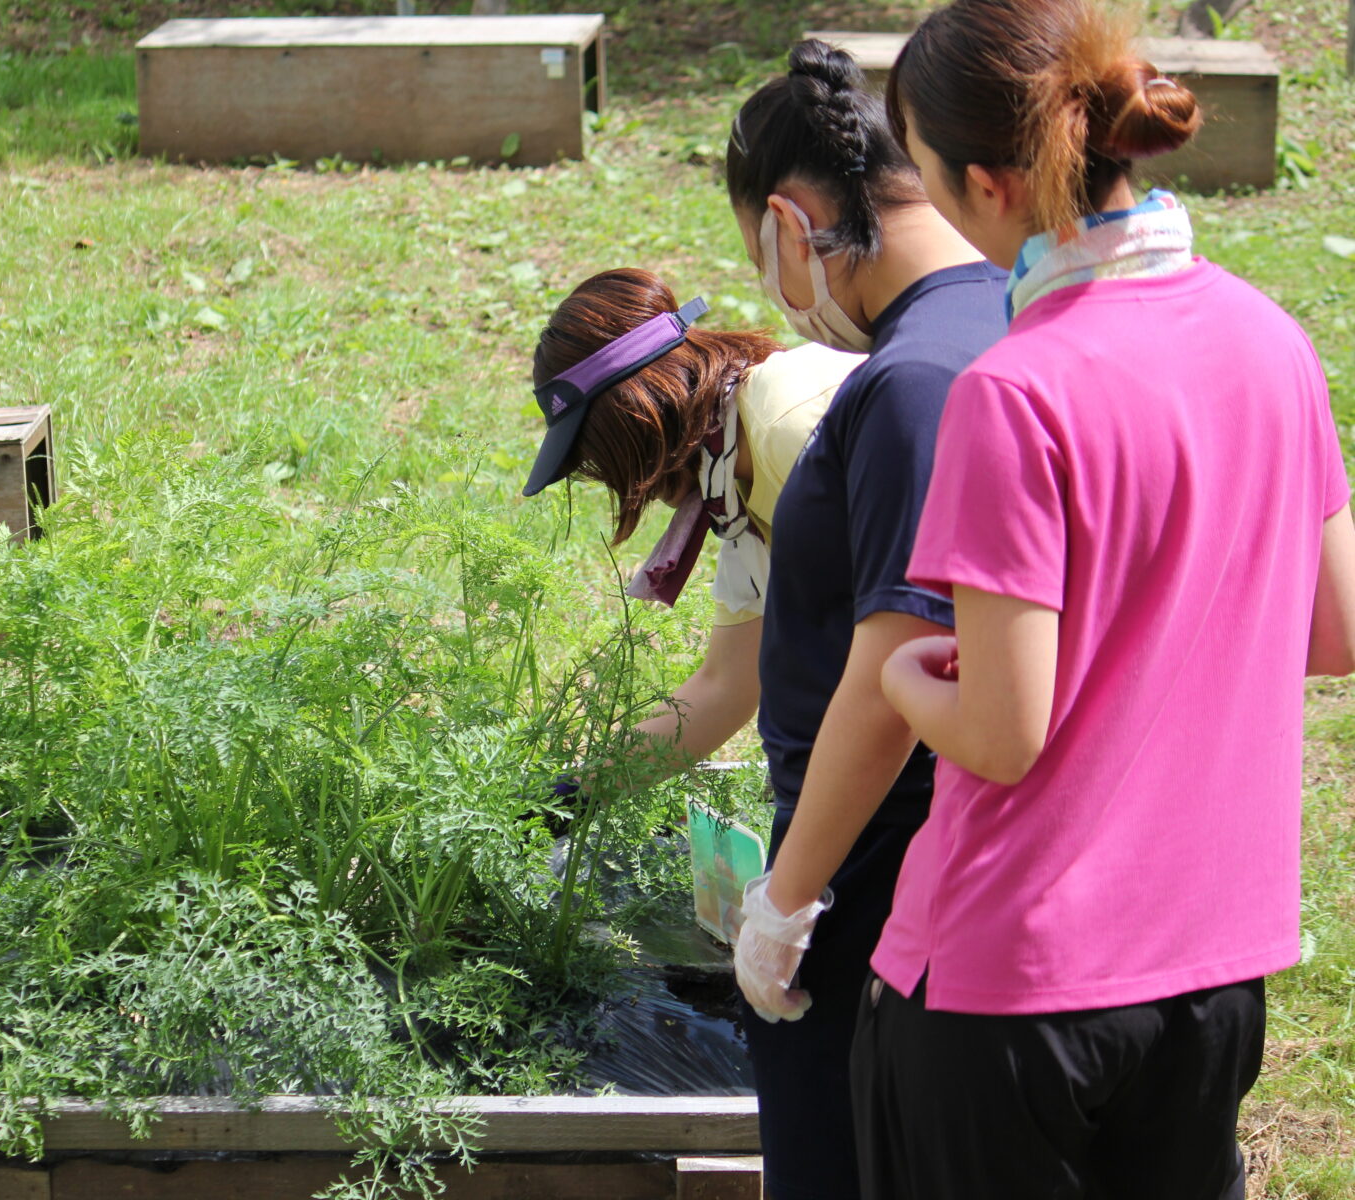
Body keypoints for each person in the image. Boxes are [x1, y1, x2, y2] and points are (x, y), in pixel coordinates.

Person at [856, 1, 1355, 1196]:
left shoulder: (1012, 389)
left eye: (916, 167)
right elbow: (1336, 632)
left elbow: (1004, 734)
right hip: (1212, 973)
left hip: (1009, 991)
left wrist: (895, 673)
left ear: (985, 184)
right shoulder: (1273, 340)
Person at [711, 39, 1007, 1200]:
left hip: (880, 875)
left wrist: (787, 902)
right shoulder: (997, 316)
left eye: (759, 254)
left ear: (794, 223)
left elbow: (894, 676)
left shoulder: (914, 381)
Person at [525, 267, 860, 782]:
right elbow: (723, 689)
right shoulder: (732, 490)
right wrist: (565, 797)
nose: (609, 477)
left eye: (593, 451)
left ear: (632, 416)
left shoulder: (788, 429)